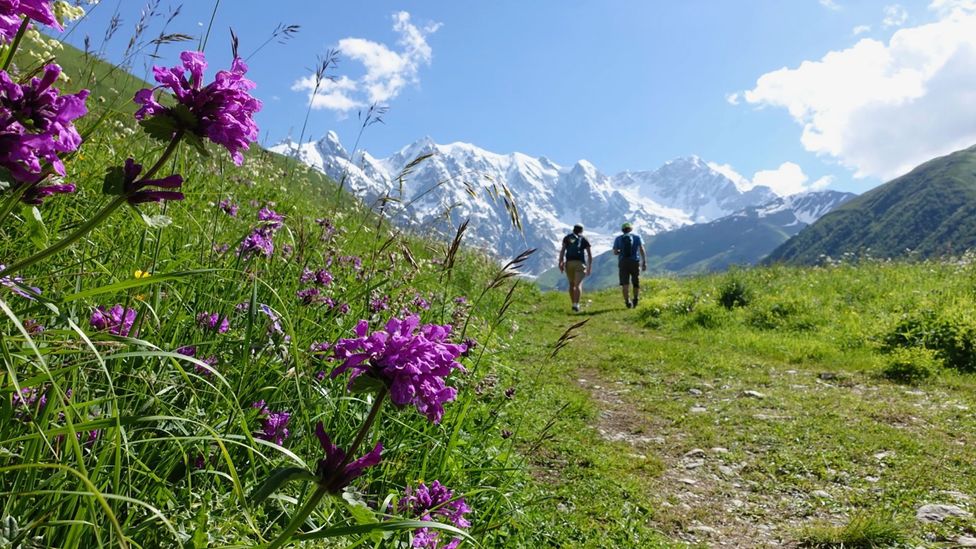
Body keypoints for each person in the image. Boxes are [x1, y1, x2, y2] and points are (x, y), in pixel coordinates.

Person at [558, 223, 592, 312]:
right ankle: (576, 305)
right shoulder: (584, 239)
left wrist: (560, 262)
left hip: (569, 263)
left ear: (573, 229)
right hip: (579, 263)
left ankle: (573, 303)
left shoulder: (567, 238)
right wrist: (589, 266)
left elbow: (562, 251)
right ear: (581, 230)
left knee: (571, 284)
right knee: (578, 285)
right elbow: (589, 254)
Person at [613, 222, 646, 308]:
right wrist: (644, 262)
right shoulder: (637, 237)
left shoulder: (618, 239)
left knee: (625, 283)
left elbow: (615, 252)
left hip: (623, 262)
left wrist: (621, 251)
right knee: (636, 281)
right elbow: (642, 249)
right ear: (631, 229)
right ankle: (636, 299)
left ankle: (627, 301)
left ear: (622, 230)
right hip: (634, 261)